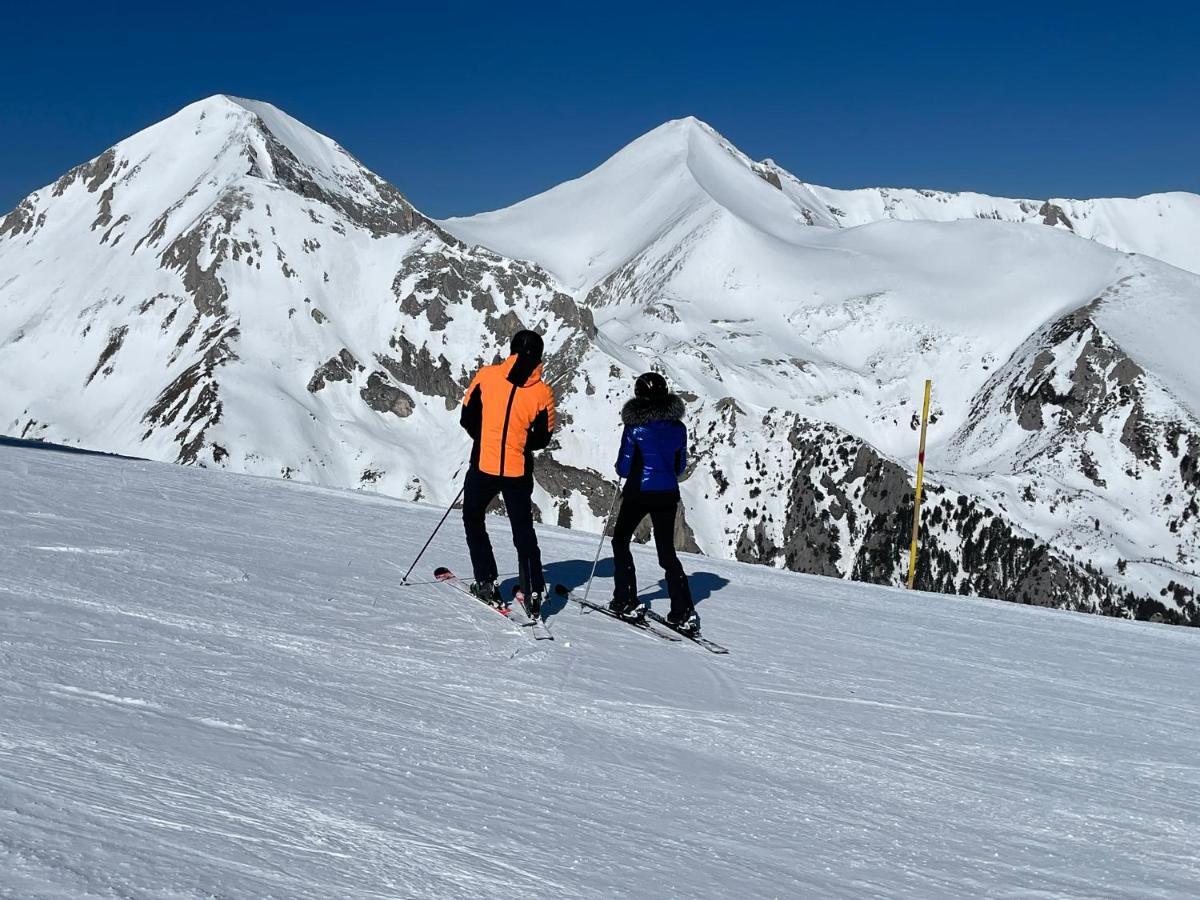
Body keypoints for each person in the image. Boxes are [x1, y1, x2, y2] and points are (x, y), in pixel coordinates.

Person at [459, 330, 556, 620]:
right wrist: (518, 443)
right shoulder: (542, 393)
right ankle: (534, 591)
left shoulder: (486, 376)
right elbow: (542, 437)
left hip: (484, 466)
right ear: (539, 356)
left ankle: (486, 581)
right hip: (517, 470)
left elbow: (467, 416)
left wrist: (486, 440)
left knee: (473, 517)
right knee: (523, 531)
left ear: (511, 349)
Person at [608, 372, 699, 635]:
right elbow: (679, 465)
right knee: (666, 552)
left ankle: (626, 599)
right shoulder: (678, 427)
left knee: (620, 541)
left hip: (640, 490)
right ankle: (683, 611)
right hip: (668, 493)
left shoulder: (635, 427)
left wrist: (625, 468)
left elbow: (624, 467)